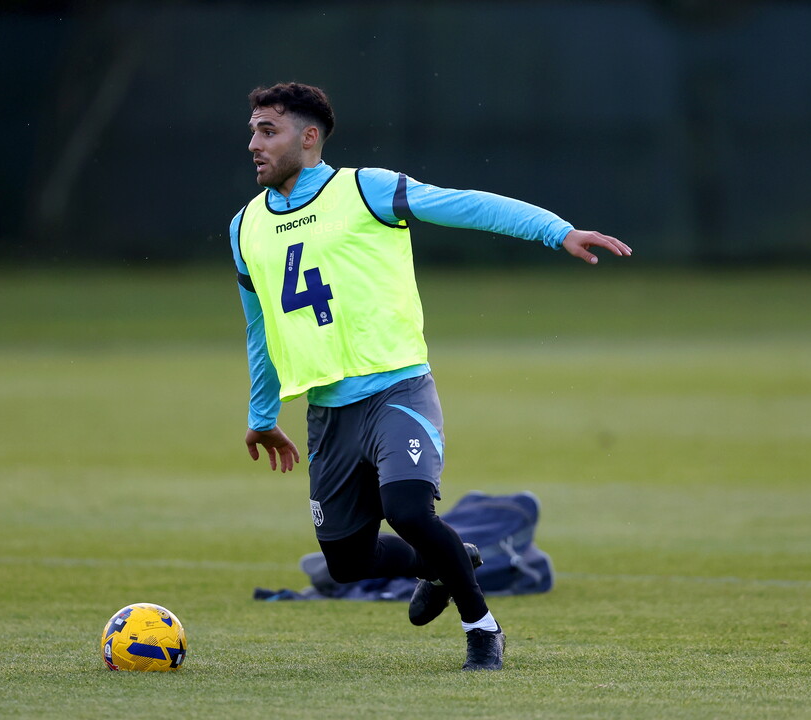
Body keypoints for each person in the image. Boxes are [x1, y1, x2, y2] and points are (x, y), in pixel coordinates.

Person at [230, 82, 631, 672]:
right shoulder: (245, 228)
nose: (254, 144)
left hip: (398, 389)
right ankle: (448, 561)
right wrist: (262, 418)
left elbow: (466, 204)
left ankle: (482, 630)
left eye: (269, 131)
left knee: (410, 511)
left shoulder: (363, 190)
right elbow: (259, 331)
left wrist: (557, 230)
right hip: (327, 411)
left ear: (309, 138)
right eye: (252, 131)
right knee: (346, 564)